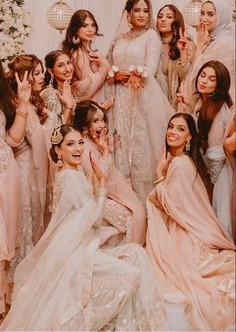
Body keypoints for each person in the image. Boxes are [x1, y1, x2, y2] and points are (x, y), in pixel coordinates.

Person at [1, 125, 165, 331]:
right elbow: (94, 218)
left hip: (78, 245)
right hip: (75, 251)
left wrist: (102, 163)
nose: (78, 148)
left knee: (134, 254)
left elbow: (85, 205)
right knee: (131, 274)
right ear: (58, 151)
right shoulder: (69, 178)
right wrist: (103, 184)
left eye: (80, 142)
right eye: (70, 144)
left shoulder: (72, 173)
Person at [146, 113, 235, 332]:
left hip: (184, 229)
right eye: (171, 127)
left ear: (189, 139)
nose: (172, 132)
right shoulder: (177, 162)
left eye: (180, 129)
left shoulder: (181, 164)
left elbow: (175, 205)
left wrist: (158, 175)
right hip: (181, 224)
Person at [107, 0, 173, 204]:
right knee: (120, 142)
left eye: (146, 10)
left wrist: (138, 73)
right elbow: (109, 65)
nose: (142, 14)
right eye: (137, 10)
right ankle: (124, 203)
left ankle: (145, 206)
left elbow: (151, 67)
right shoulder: (119, 38)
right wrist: (114, 74)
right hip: (120, 98)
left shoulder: (151, 36)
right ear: (128, 14)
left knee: (139, 148)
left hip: (140, 97)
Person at [7, 54, 58, 273]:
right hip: (26, 169)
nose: (42, 77)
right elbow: (36, 139)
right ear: (23, 78)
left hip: (25, 165)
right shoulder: (22, 105)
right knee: (27, 221)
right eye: (36, 73)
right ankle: (24, 274)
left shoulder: (28, 101)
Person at [73, 100, 146, 246]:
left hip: (109, 193)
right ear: (84, 127)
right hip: (96, 198)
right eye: (95, 121)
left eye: (102, 120)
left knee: (138, 212)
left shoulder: (93, 143)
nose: (102, 125)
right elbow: (94, 180)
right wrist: (106, 152)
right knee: (132, 217)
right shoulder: (84, 147)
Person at [178, 60, 234, 236]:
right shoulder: (203, 103)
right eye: (202, 75)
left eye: (211, 79)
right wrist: (188, 106)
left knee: (218, 220)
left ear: (219, 85)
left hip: (219, 172)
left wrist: (211, 184)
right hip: (211, 167)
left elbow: (215, 153)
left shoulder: (219, 110)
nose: (204, 81)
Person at [0, 61, 31, 319]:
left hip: (5, 171)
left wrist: (21, 101)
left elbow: (13, 139)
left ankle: (1, 305)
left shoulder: (3, 100)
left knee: (5, 241)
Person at [186, 0, 235, 102]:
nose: (203, 18)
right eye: (202, 13)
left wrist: (199, 44)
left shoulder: (225, 43)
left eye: (210, 14)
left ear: (221, 17)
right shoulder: (211, 38)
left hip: (217, 102)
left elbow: (200, 72)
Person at [62, 9, 110, 103]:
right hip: (90, 108)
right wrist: (105, 66)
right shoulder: (78, 54)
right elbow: (88, 88)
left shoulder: (87, 51)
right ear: (75, 29)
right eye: (85, 26)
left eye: (93, 25)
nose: (90, 29)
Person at [156, 4, 195, 110]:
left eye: (169, 17)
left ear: (176, 21)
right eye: (160, 17)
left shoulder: (187, 44)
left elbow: (188, 77)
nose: (163, 20)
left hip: (176, 104)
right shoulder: (153, 44)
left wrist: (183, 52)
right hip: (155, 102)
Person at [41, 50, 75, 126]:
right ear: (51, 71)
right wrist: (68, 107)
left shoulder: (67, 90)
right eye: (61, 66)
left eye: (68, 63)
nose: (68, 69)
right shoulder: (50, 94)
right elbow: (55, 129)